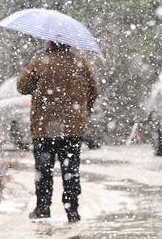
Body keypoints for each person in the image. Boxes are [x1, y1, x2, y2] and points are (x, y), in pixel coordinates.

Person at [17, 40, 99, 222]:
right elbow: (94, 91)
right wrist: (83, 111)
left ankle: (43, 207)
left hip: (44, 127)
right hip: (72, 128)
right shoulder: (81, 63)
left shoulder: (40, 62)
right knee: (71, 170)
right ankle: (72, 209)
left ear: (50, 42)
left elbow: (21, 87)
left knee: (44, 170)